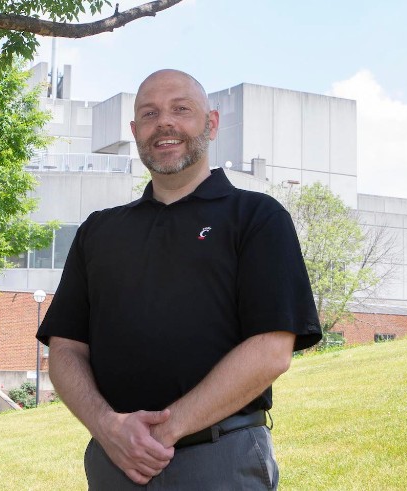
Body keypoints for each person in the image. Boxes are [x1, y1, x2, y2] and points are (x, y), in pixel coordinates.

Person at [37, 69, 321, 490]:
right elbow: (65, 349)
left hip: (219, 459)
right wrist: (108, 427)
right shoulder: (99, 231)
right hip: (113, 463)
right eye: (149, 113)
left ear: (212, 122)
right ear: (135, 131)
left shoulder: (258, 218)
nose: (164, 123)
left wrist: (162, 434)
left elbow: (272, 349)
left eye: (181, 110)